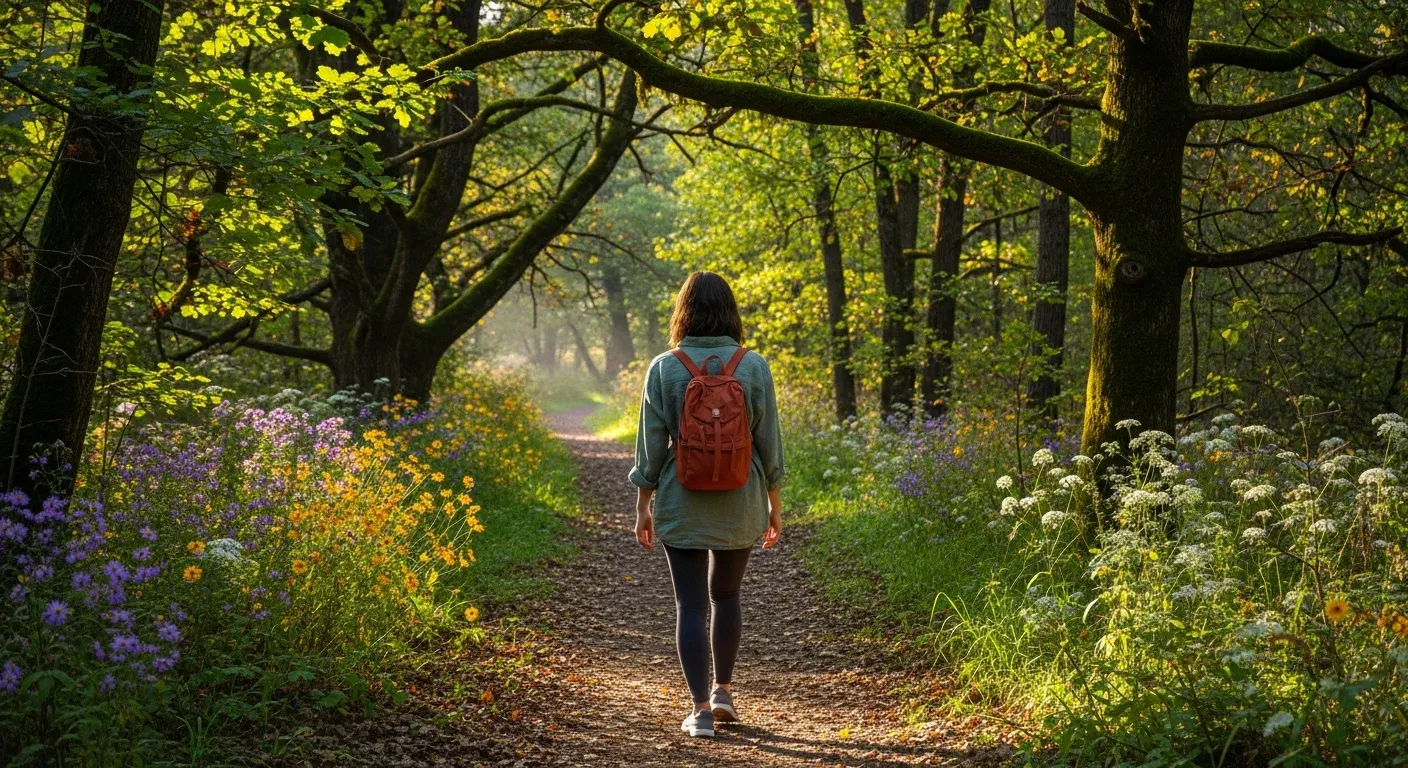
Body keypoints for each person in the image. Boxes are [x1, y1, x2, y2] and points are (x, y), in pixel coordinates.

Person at [628, 271, 785, 738]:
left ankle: (698, 712)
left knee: (691, 604)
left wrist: (644, 504)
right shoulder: (753, 366)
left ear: (684, 312)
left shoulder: (665, 366)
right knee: (728, 596)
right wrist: (774, 503)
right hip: (742, 497)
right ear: (730, 312)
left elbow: (650, 446)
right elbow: (770, 441)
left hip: (683, 497)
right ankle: (723, 692)